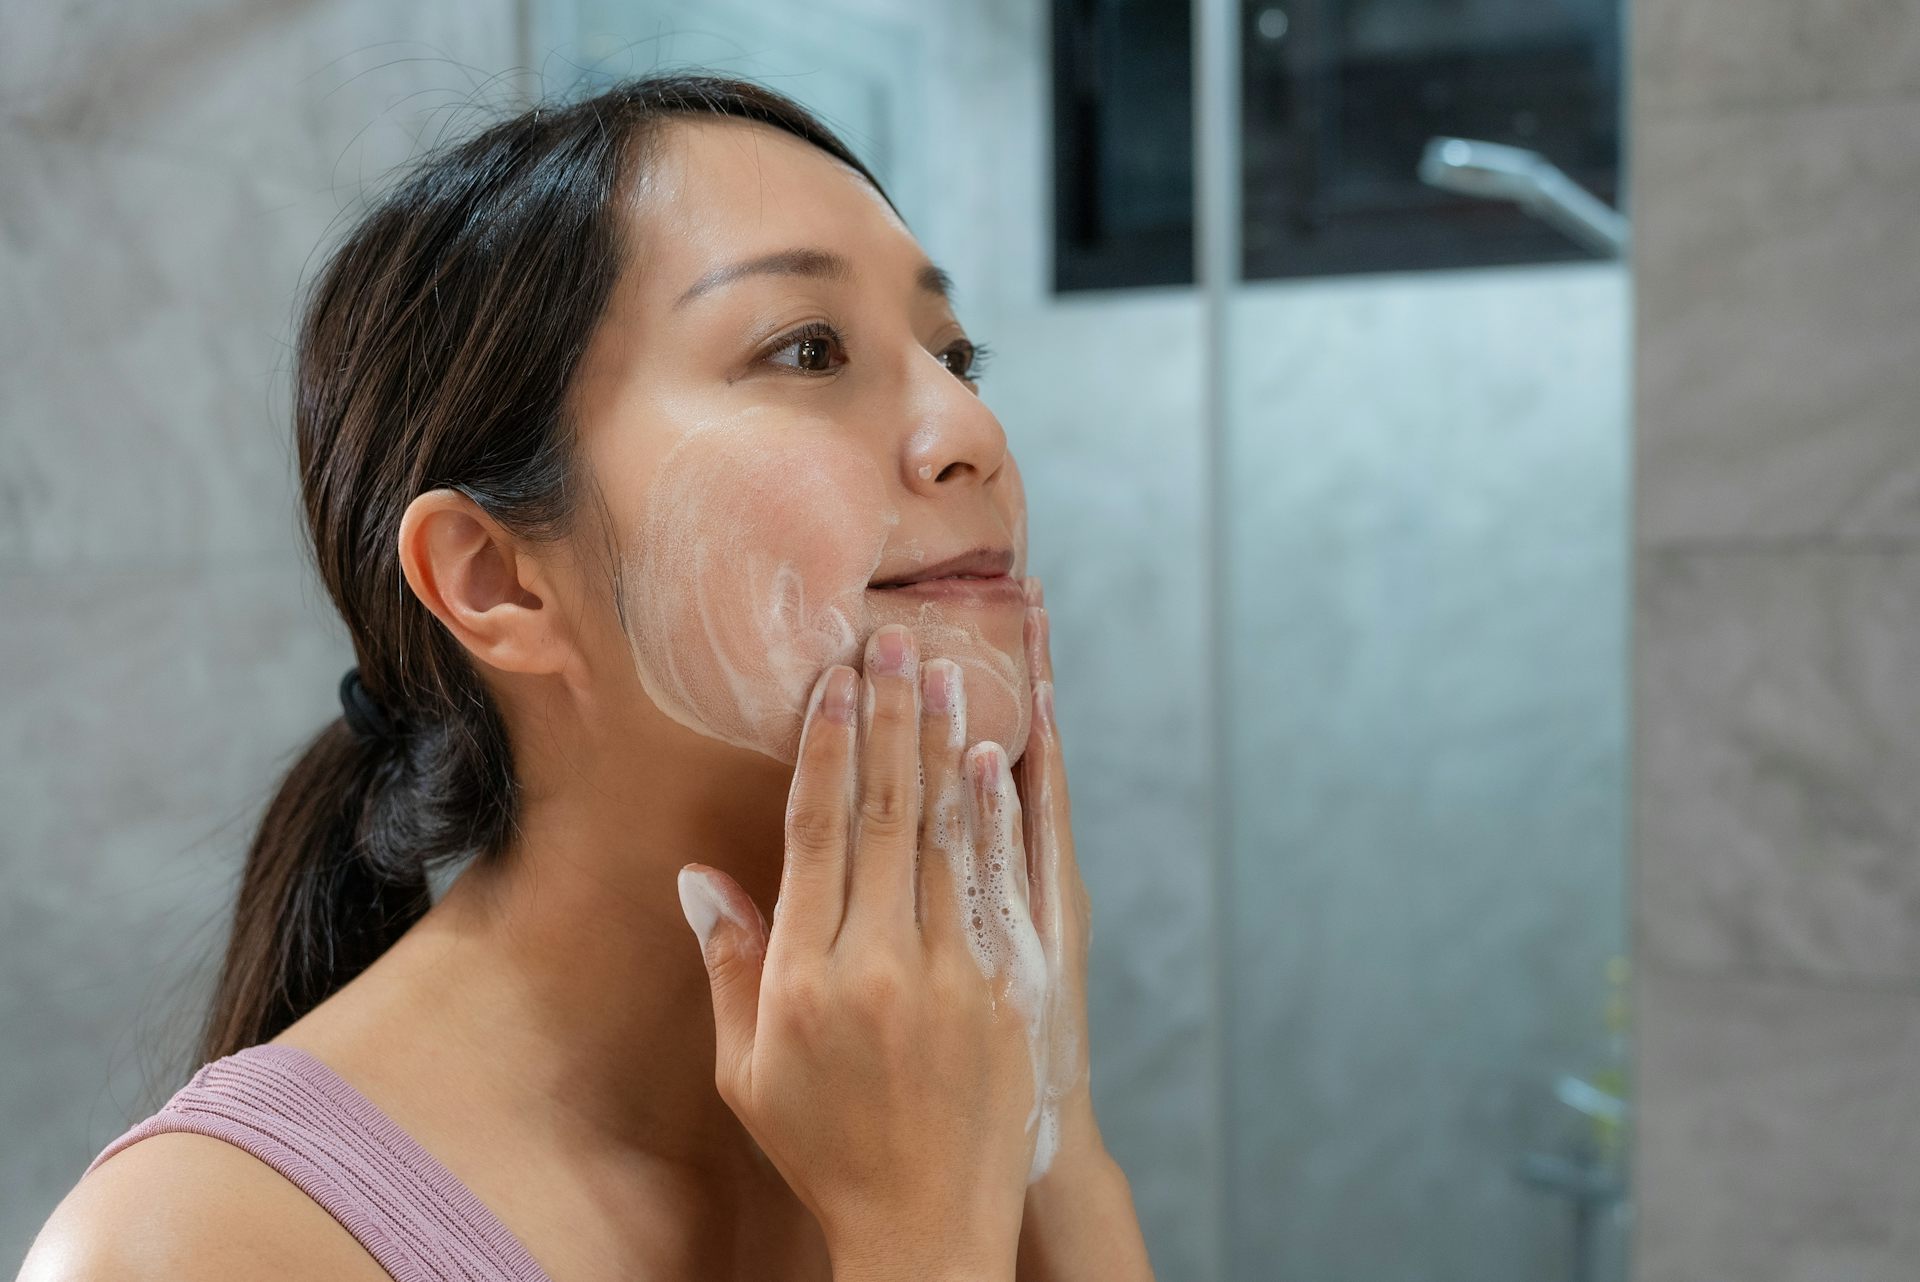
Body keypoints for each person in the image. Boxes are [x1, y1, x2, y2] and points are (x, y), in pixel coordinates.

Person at [18, 73, 1153, 1281]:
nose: (970, 434)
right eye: (808, 349)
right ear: (497, 579)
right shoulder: (192, 1248)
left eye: (956, 356)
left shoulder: (948, 1091)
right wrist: (915, 1238)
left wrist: (1051, 1128)